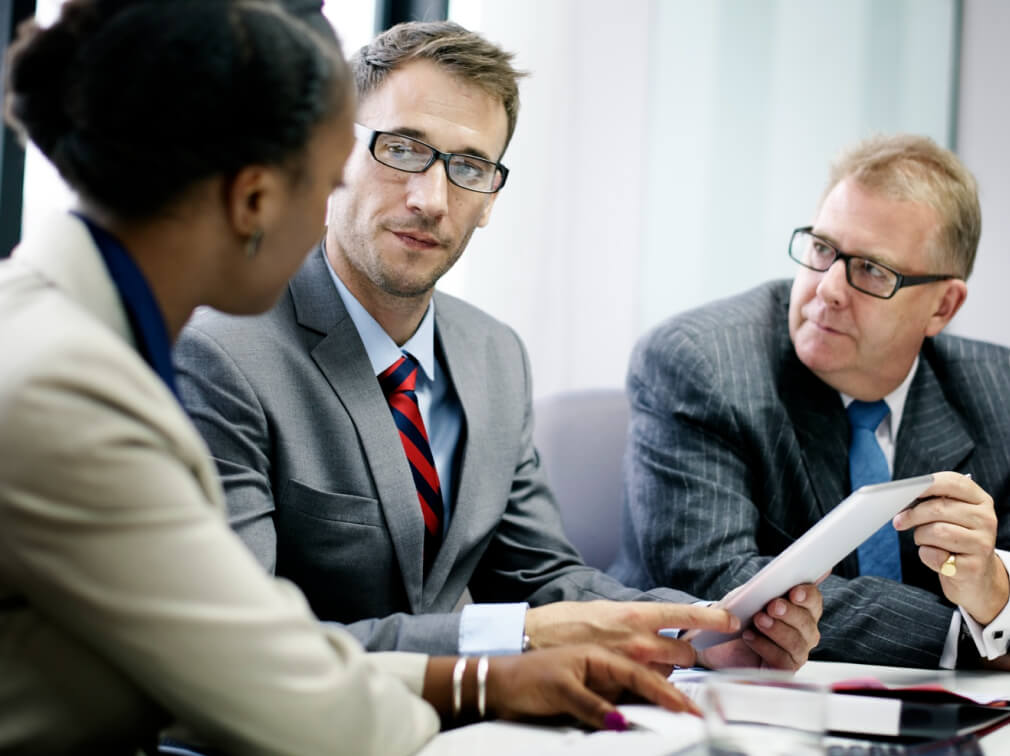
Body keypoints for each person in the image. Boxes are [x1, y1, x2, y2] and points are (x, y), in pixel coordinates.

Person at [0, 2, 743, 753]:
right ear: (256, 198)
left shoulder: (59, 335)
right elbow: (268, 684)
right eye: (336, 175)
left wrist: (685, 630)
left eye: (467, 168)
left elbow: (249, 662)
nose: (428, 199)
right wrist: (488, 673)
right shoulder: (71, 387)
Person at [175, 18, 823, 675]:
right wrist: (513, 638)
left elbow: (540, 579)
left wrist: (706, 629)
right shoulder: (222, 353)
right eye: (402, 149)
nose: (432, 199)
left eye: (469, 167)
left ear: (489, 199)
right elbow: (244, 649)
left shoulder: (493, 354)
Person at [610, 133, 1010, 670]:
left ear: (943, 307)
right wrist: (984, 627)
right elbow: (721, 585)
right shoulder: (702, 364)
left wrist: (993, 591)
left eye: (872, 270)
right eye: (823, 249)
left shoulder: (998, 392)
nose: (827, 289)